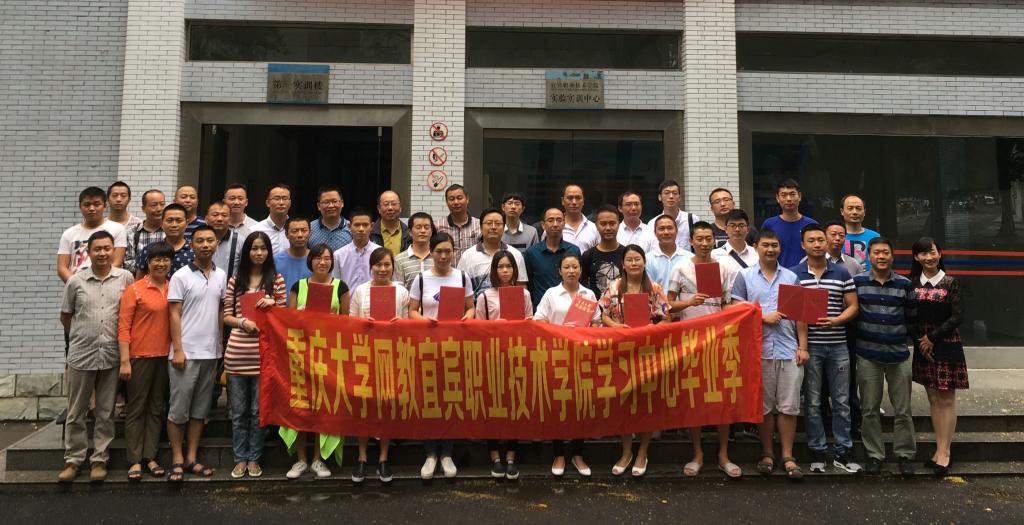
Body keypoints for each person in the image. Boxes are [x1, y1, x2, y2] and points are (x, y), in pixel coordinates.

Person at [666, 221, 742, 479]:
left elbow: (728, 304)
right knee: (694, 398)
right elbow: (667, 305)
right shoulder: (680, 268)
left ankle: (723, 455)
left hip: (718, 340)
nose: (704, 243)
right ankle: (697, 453)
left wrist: (744, 309)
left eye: (709, 238)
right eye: (699, 239)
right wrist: (690, 301)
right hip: (690, 341)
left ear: (714, 240)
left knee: (722, 398)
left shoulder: (724, 268)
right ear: (691, 241)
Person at [57, 231, 134, 483]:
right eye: (97, 249)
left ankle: (100, 459)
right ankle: (74, 460)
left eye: (107, 248)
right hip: (82, 354)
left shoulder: (125, 278)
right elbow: (66, 316)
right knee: (76, 410)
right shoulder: (75, 281)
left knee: (105, 411)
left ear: (114, 250)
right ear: (88, 252)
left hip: (111, 354)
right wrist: (82, 336)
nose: (102, 253)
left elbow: (129, 315)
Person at [731, 229, 807, 480]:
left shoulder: (792, 277)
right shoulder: (744, 276)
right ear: (756, 247)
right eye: (765, 245)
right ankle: (767, 454)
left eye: (774, 245)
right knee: (763, 408)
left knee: (789, 407)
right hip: (758, 351)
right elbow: (736, 308)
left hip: (788, 349)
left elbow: (800, 315)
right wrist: (762, 316)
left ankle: (787, 456)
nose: (770, 249)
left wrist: (803, 347)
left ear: (780, 248)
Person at [792, 224, 861, 474]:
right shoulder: (795, 275)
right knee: (812, 402)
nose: (817, 244)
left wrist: (836, 320)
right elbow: (796, 314)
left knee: (842, 401)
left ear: (827, 242)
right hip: (811, 347)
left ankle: (844, 452)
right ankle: (817, 452)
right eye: (811, 241)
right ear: (803, 245)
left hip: (838, 345)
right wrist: (803, 346)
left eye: (820, 239)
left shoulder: (842, 273)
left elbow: (853, 306)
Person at [599, 245, 670, 478]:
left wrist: (652, 329)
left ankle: (642, 452)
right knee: (624, 402)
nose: (633, 263)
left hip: (647, 352)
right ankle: (626, 451)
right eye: (629, 259)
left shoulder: (654, 288)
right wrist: (617, 327)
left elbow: (666, 318)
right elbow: (603, 315)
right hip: (621, 352)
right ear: (623, 264)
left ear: (644, 262)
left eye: (637, 259)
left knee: (645, 402)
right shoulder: (613, 287)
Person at [409, 233, 474, 479]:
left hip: (455, 346)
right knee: (428, 399)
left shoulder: (462, 277)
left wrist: (467, 318)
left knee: (451, 398)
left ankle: (447, 453)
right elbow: (411, 311)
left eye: (448, 251)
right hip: (428, 346)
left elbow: (471, 307)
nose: (444, 256)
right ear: (432, 252)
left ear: (454, 252)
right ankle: (430, 453)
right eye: (439, 251)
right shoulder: (421, 278)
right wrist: (426, 321)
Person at [222, 231, 286, 479]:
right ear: (247, 252)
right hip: (238, 354)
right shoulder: (236, 280)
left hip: (264, 355)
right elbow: (227, 315)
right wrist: (241, 323)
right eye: (254, 248)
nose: (259, 253)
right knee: (238, 412)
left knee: (259, 411)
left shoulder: (276, 280)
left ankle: (254, 458)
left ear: (269, 252)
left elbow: (284, 316)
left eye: (263, 248)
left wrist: (273, 305)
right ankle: (240, 458)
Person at [285, 244, 351, 480]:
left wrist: (332, 320)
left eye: (327, 258)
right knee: (301, 407)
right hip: (301, 355)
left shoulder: (340, 287)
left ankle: (318, 458)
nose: (322, 262)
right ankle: (301, 459)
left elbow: (347, 322)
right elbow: (288, 321)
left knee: (324, 407)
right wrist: (301, 315)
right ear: (310, 261)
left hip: (329, 355)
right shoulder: (299, 286)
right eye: (318, 258)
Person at [166, 225, 226, 482]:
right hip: (185, 353)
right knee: (178, 410)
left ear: (216, 244)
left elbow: (220, 311)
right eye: (200, 241)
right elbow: (173, 313)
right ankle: (177, 459)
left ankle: (191, 457)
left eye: (210, 240)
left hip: (210, 354)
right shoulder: (180, 276)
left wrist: (220, 346)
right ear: (192, 245)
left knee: (200, 410)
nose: (205, 245)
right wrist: (178, 349)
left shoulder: (221, 275)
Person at [853, 237, 918, 477]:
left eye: (885, 253)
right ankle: (874, 455)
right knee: (869, 408)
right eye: (876, 253)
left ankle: (905, 454)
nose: (881, 257)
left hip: (898, 355)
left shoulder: (904, 284)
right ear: (869, 256)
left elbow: (912, 318)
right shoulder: (858, 282)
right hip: (868, 355)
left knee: (903, 409)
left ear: (892, 256)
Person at [348, 247, 411, 484]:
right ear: (371, 267)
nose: (383, 269)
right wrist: (363, 323)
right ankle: (362, 457)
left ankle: (384, 458)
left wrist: (399, 324)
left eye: (387, 265)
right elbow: (350, 323)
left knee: (386, 406)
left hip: (391, 355)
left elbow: (409, 325)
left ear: (393, 267)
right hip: (365, 354)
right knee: (364, 406)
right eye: (378, 265)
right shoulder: (360, 291)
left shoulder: (401, 292)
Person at [534, 252, 598, 477]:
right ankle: (559, 453)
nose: (571, 271)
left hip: (582, 357)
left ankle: (578, 454)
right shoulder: (551, 294)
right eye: (567, 267)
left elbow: (597, 323)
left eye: (575, 267)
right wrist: (561, 331)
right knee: (558, 405)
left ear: (581, 270)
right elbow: (539, 322)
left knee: (580, 405)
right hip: (557, 356)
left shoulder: (588, 294)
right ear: (559, 271)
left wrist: (586, 331)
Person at [909, 237, 967, 476]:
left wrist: (931, 338)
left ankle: (945, 452)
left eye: (932, 252)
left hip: (946, 344)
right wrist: (920, 342)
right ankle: (938, 449)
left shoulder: (951, 282)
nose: (929, 257)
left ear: (940, 254)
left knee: (947, 399)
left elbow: (957, 316)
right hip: (923, 347)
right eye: (923, 253)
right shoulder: (911, 283)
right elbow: (908, 316)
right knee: (933, 398)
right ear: (916, 257)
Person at [474, 250, 533, 481]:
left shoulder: (524, 294)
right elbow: (478, 330)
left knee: (514, 405)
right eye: (501, 267)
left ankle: (510, 456)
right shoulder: (484, 297)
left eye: (509, 266)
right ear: (494, 270)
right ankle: (495, 456)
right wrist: (495, 326)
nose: (505, 271)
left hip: (517, 355)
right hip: (493, 356)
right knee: (492, 406)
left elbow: (530, 323)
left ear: (515, 270)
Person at [118, 241, 173, 482]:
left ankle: (150, 456)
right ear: (148, 263)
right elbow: (123, 326)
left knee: (156, 407)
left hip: (164, 356)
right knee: (136, 408)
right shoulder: (135, 289)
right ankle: (134, 459)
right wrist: (125, 360)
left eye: (165, 259)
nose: (161, 264)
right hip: (139, 357)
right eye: (156, 259)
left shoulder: (174, 287)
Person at [57, 186, 127, 283]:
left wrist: (101, 282)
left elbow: (117, 262)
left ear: (105, 205)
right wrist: (78, 285)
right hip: (77, 286)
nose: (92, 208)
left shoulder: (117, 229)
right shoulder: (69, 233)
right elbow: (62, 268)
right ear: (80, 206)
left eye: (97, 204)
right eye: (87, 205)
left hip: (107, 284)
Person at [457, 208, 528, 294]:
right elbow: (460, 287)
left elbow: (521, 287)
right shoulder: (467, 256)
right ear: (481, 227)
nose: (493, 227)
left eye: (498, 224)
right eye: (489, 223)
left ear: (504, 227)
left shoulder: (515, 254)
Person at [525, 208, 582, 308]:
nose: (555, 224)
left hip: (569, 308)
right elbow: (529, 285)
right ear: (543, 225)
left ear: (564, 224)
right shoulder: (532, 253)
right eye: (550, 220)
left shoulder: (574, 251)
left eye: (559, 220)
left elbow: (579, 281)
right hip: (541, 310)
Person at [761, 178, 817, 269]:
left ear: (799, 196)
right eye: (783, 195)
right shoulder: (769, 225)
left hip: (806, 275)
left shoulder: (811, 225)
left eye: (792, 194)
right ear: (777, 198)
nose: (788, 199)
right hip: (777, 275)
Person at [134, 204, 193, 279]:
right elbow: (139, 280)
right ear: (161, 223)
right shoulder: (149, 249)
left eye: (179, 221)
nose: (174, 225)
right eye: (169, 221)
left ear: (186, 223)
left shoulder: (194, 250)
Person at [581, 204, 626, 295]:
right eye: (603, 224)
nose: (608, 228)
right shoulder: (588, 256)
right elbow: (583, 288)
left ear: (619, 224)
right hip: (595, 303)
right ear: (596, 226)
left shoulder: (626, 254)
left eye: (612, 223)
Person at [332, 207, 380, 290]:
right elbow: (335, 284)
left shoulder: (379, 253)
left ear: (372, 226)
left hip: (373, 298)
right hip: (347, 298)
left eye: (365, 225)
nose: (361, 229)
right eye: (357, 225)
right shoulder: (338, 255)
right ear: (349, 226)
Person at [711, 208, 759, 292]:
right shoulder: (714, 255)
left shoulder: (756, 254)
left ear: (748, 230)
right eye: (732, 226)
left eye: (741, 226)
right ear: (726, 229)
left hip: (751, 299)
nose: (737, 229)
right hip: (726, 299)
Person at [646, 179, 699, 253]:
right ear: (660, 197)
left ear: (679, 197)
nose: (671, 196)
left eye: (675, 193)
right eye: (667, 193)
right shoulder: (652, 223)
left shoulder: (692, 219)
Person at [645, 214, 691, 294]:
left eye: (670, 228)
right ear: (655, 233)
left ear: (677, 231)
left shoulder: (689, 258)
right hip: (657, 302)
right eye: (661, 229)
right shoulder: (647, 259)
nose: (666, 232)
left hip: (685, 302)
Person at [435, 184, 481, 263]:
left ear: (467, 199)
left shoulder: (479, 225)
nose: (456, 202)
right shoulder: (437, 226)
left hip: (472, 270)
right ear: (446, 202)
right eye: (451, 199)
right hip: (447, 270)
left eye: (459, 198)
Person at [124, 189, 165, 274]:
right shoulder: (132, 232)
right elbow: (127, 262)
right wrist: (150, 267)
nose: (159, 209)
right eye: (154, 205)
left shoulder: (170, 231)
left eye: (162, 204)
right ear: (143, 208)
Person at [274, 217, 313, 303]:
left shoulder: (317, 260)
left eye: (304, 230)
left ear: (310, 233)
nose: (300, 235)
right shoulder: (275, 260)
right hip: (282, 309)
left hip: (310, 310)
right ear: (286, 234)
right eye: (294, 231)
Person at [394, 212, 436, 290]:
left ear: (431, 231)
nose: (423, 231)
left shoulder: (438, 257)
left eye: (426, 227)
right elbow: (398, 289)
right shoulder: (399, 259)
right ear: (410, 232)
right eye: (418, 227)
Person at [841, 194, 880, 272]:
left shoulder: (875, 237)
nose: (855, 212)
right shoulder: (836, 237)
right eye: (850, 208)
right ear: (842, 211)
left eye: (858, 208)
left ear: (864, 212)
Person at [308, 185, 352, 252]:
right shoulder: (310, 228)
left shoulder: (351, 228)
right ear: (319, 206)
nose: (331, 206)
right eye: (326, 202)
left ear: (342, 203)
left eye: (334, 201)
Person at [251, 183, 292, 254]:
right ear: (267, 203)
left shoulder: (297, 231)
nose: (281, 202)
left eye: (285, 198)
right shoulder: (255, 230)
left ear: (290, 202)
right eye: (277, 199)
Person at [206, 201, 243, 279]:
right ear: (206, 219)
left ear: (230, 219)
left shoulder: (239, 241)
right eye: (215, 215)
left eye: (224, 215)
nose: (220, 219)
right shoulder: (200, 240)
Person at [559, 184, 599, 252]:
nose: (574, 202)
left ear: (583, 201)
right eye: (570, 198)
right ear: (562, 201)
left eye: (578, 198)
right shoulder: (554, 228)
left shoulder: (594, 229)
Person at [370, 190, 411, 255]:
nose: (390, 208)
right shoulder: (370, 232)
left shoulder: (409, 233)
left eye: (394, 204)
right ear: (379, 208)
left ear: (400, 207)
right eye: (386, 204)